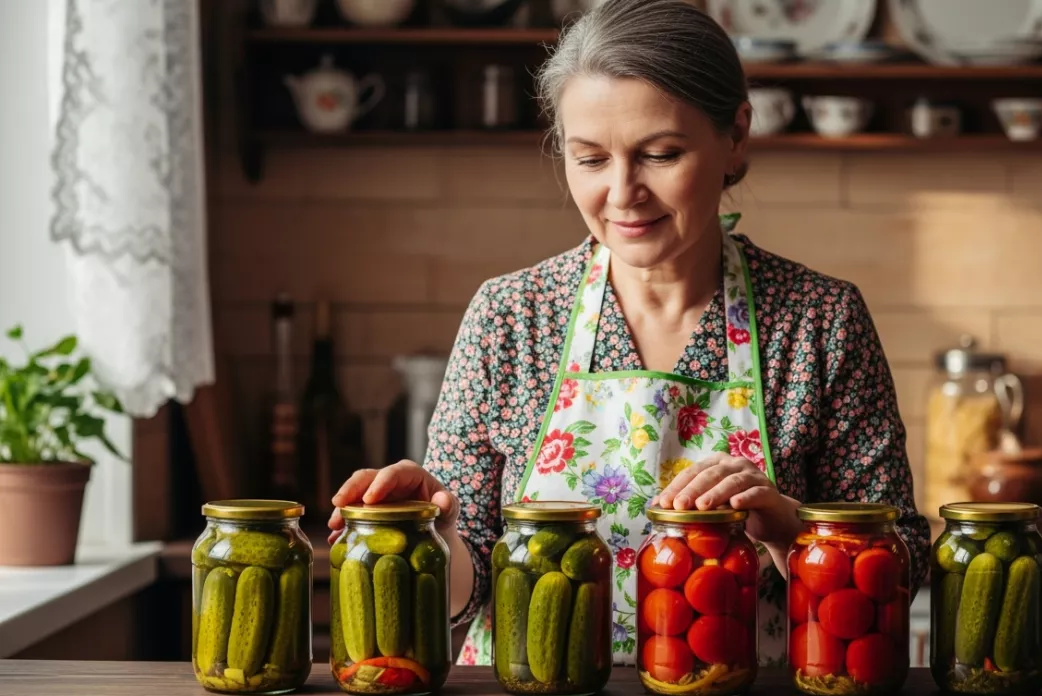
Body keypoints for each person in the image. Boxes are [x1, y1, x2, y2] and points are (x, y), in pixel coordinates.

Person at [327, 0, 930, 668]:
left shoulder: (819, 321)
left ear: (736, 136)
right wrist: (433, 535)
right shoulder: (511, 317)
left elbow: (901, 570)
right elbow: (460, 598)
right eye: (590, 159)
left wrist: (789, 530)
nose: (622, 193)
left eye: (660, 154)